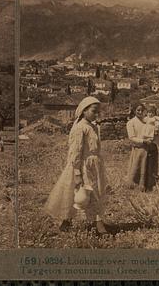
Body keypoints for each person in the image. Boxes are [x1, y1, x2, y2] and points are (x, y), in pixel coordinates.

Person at [44, 96, 109, 235]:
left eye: (98, 112)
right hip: (83, 166)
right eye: (93, 111)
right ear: (84, 111)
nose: (96, 114)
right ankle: (96, 225)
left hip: (94, 165)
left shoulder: (94, 127)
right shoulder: (80, 128)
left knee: (93, 193)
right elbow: (76, 151)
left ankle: (87, 223)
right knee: (81, 194)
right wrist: (77, 172)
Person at [125, 103, 159, 191]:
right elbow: (132, 138)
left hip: (150, 148)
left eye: (142, 110)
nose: (140, 112)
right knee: (138, 168)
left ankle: (149, 185)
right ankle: (137, 186)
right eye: (138, 110)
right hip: (139, 149)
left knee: (149, 167)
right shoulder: (131, 123)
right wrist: (143, 141)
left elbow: (154, 131)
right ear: (134, 111)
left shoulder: (147, 121)